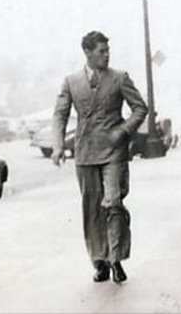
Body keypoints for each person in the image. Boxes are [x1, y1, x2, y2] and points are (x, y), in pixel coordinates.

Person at [52, 31, 147, 284]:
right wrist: (58, 145)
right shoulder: (71, 81)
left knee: (113, 203)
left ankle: (116, 259)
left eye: (107, 50)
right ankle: (100, 262)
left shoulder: (119, 78)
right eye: (102, 51)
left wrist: (123, 131)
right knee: (92, 209)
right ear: (88, 52)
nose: (107, 55)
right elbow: (60, 115)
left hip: (114, 152)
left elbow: (140, 108)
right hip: (85, 153)